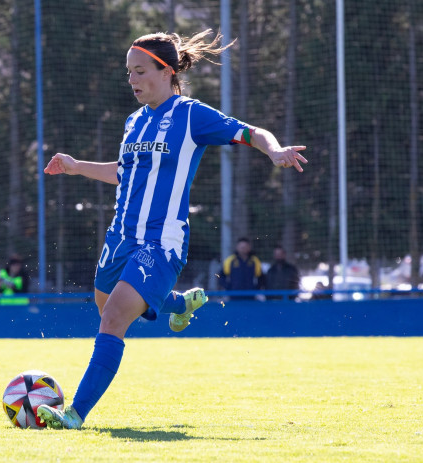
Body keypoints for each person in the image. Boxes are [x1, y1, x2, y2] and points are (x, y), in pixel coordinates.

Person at [36, 30, 307, 430]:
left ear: (167, 71)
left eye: (140, 71)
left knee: (111, 320)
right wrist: (77, 166)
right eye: (128, 72)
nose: (132, 80)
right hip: (119, 239)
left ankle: (74, 415)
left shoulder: (191, 115)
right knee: (106, 307)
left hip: (161, 241)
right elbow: (125, 174)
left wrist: (275, 150)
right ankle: (180, 304)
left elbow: (249, 132)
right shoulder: (133, 121)